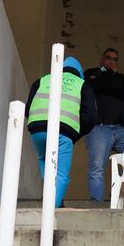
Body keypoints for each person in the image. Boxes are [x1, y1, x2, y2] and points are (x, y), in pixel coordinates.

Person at [26, 56, 98, 207]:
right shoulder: (82, 84)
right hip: (63, 131)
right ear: (79, 72)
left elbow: (28, 108)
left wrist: (38, 123)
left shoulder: (43, 80)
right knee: (61, 174)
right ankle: (51, 210)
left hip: (37, 129)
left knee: (45, 162)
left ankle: (53, 199)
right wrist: (75, 133)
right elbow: (90, 117)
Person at [83, 48, 124, 202]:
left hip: (120, 129)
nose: (112, 61)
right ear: (102, 59)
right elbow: (94, 87)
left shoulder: (120, 77)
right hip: (99, 128)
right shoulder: (91, 73)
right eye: (108, 58)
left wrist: (109, 81)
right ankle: (96, 204)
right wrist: (109, 76)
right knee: (97, 166)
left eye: (115, 59)